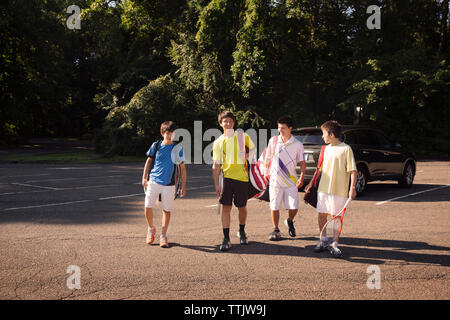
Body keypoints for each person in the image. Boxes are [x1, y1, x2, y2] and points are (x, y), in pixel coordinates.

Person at [305, 120, 357, 258]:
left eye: (324, 134)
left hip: (339, 190)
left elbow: (353, 171)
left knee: (336, 217)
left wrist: (352, 188)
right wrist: (311, 183)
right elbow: (319, 170)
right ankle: (322, 240)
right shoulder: (325, 149)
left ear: (332, 134)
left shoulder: (346, 149)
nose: (322, 137)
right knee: (322, 214)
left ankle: (334, 243)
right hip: (323, 189)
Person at [212, 110, 256, 251]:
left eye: (231, 121)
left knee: (242, 207)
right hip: (226, 178)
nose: (228, 123)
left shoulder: (242, 136)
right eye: (225, 121)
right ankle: (226, 238)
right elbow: (216, 164)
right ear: (220, 123)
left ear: (234, 123)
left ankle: (242, 231)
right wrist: (216, 185)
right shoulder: (218, 142)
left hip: (242, 178)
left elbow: (254, 150)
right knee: (226, 208)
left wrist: (247, 155)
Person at [142, 121, 186, 248]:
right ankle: (151, 229)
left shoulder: (177, 148)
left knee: (166, 210)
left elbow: (182, 168)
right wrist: (144, 177)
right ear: (162, 133)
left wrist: (183, 186)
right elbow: (149, 161)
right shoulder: (156, 146)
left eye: (172, 133)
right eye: (167, 133)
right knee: (147, 207)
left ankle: (163, 235)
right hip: (153, 181)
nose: (170, 135)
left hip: (169, 184)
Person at [263, 115, 306, 241]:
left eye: (283, 128)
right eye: (279, 128)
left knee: (294, 207)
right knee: (274, 206)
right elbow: (268, 157)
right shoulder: (274, 141)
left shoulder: (297, 144)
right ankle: (276, 230)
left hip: (291, 181)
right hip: (275, 180)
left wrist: (302, 178)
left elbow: (303, 163)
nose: (280, 130)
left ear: (290, 128)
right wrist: (266, 173)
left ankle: (289, 221)